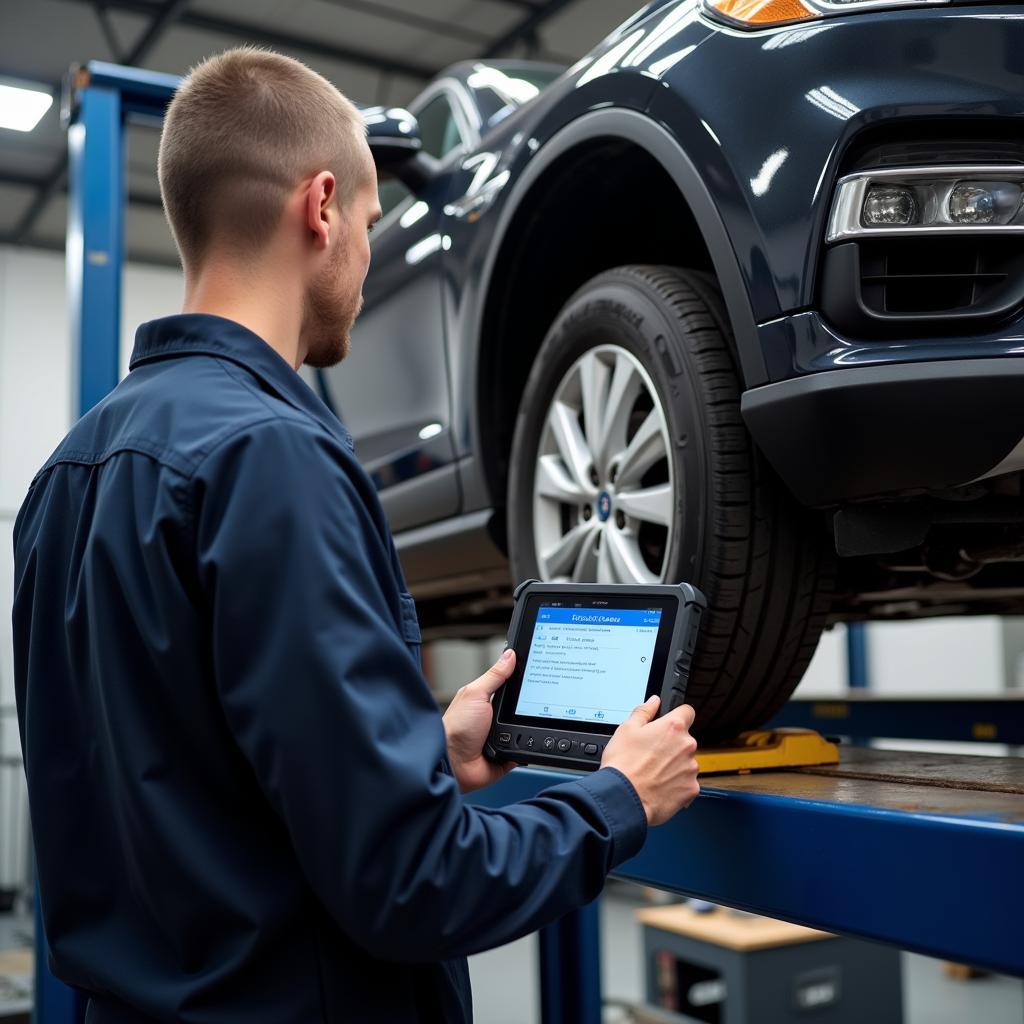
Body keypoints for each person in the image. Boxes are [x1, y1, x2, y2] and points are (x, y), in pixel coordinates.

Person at [12, 47, 700, 1023]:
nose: (367, 261)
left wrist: (418, 745)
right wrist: (618, 798)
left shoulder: (65, 474)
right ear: (322, 206)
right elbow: (414, 884)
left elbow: (183, 772)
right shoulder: (274, 456)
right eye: (372, 226)